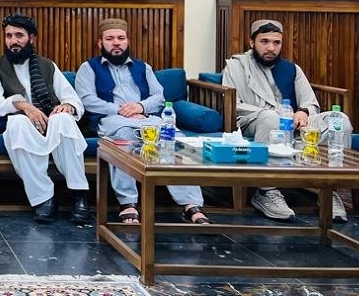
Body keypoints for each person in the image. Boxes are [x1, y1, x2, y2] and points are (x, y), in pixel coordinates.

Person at [75, 18, 212, 225]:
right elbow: (86, 100)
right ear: (100, 43)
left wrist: (140, 107)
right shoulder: (88, 68)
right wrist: (122, 110)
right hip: (112, 120)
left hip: (146, 119)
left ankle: (191, 204)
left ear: (127, 41)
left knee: (172, 139)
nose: (116, 43)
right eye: (110, 39)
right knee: (123, 138)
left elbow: (159, 96)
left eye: (121, 38)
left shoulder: (143, 67)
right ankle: (128, 203)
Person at [223, 18, 353, 223]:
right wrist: (278, 114)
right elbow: (235, 105)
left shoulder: (291, 69)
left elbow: (310, 102)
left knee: (339, 120)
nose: (271, 48)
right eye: (264, 41)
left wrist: (303, 112)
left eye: (276, 43)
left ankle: (329, 190)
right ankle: (266, 191)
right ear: (252, 42)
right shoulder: (236, 66)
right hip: (255, 121)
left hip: (294, 125)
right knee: (270, 118)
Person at [0, 13, 89, 224]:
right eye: (9, 36)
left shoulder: (47, 65)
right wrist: (24, 106)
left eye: (19, 35)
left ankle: (79, 195)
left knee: (64, 120)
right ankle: (45, 198)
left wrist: (67, 106)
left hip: (51, 122)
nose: (13, 41)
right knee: (17, 124)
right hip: (22, 123)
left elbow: (71, 98)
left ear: (31, 38)